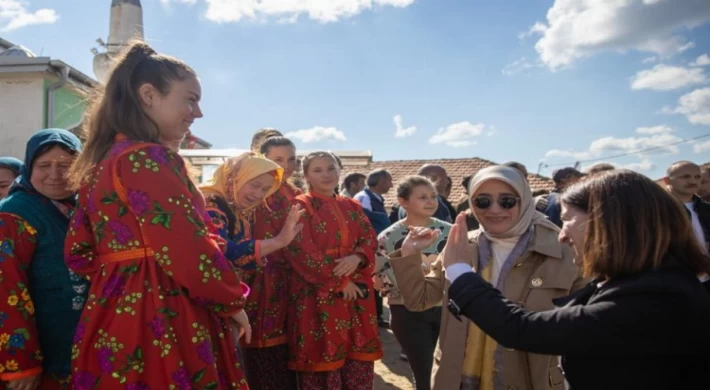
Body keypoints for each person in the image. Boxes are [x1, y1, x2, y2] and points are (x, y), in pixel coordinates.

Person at [64, 41, 250, 389]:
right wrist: (231, 300)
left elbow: (79, 252)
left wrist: (123, 275)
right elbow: (186, 248)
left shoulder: (98, 165)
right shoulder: (148, 158)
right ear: (149, 95)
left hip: (109, 314)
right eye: (190, 99)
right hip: (161, 315)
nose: (198, 113)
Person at [436, 170, 710, 390]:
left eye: (567, 220)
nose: (563, 235)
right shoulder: (643, 280)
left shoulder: (655, 298)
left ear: (609, 225)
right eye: (482, 201)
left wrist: (459, 269)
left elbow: (522, 329)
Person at [386, 165, 585, 390]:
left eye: (507, 201)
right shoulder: (462, 245)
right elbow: (419, 299)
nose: (494, 209)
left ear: (524, 199)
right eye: (482, 201)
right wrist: (409, 255)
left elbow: (586, 334)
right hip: (458, 380)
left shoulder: (563, 250)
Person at [201, 150, 302, 390]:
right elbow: (221, 252)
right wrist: (278, 242)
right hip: (206, 302)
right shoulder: (212, 205)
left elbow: (243, 260)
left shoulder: (236, 210)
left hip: (223, 301)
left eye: (264, 189)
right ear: (235, 177)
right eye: (254, 185)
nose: (257, 194)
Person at [0, 129, 88, 389]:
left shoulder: (78, 209)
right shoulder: (14, 215)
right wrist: (21, 364)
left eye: (65, 165)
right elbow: (6, 289)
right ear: (29, 167)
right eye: (44, 165)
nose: (55, 175)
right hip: (39, 364)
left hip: (77, 354)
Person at [286, 151, 382, 390]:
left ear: (340, 170)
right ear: (306, 175)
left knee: (356, 357)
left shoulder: (352, 206)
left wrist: (358, 257)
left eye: (331, 168)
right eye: (317, 170)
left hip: (356, 294)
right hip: (317, 296)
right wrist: (340, 283)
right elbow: (300, 252)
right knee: (322, 356)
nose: (326, 175)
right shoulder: (300, 206)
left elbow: (369, 239)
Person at [373, 175, 452, 390]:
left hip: (447, 310)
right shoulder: (388, 237)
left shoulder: (450, 232)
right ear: (403, 201)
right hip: (407, 312)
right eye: (423, 197)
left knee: (449, 371)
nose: (430, 201)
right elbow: (375, 274)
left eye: (433, 196)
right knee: (425, 373)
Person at [664, 161, 710, 254]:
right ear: (667, 180)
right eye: (686, 176)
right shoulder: (658, 212)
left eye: (697, 177)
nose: (693, 181)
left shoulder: (706, 209)